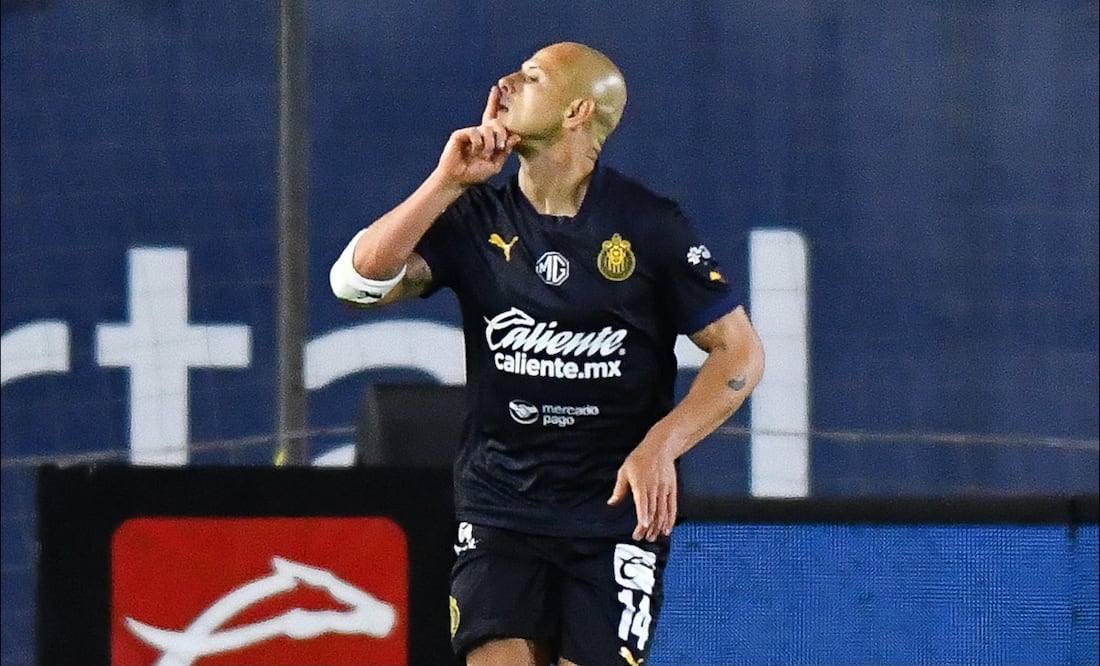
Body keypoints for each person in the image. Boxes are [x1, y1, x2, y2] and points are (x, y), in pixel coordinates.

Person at [330, 41, 765, 666]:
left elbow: (739, 353)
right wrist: (446, 181)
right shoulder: (478, 215)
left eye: (531, 77)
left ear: (576, 112)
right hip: (500, 507)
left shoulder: (648, 225)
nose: (505, 82)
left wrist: (662, 445)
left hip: (614, 517)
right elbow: (356, 284)